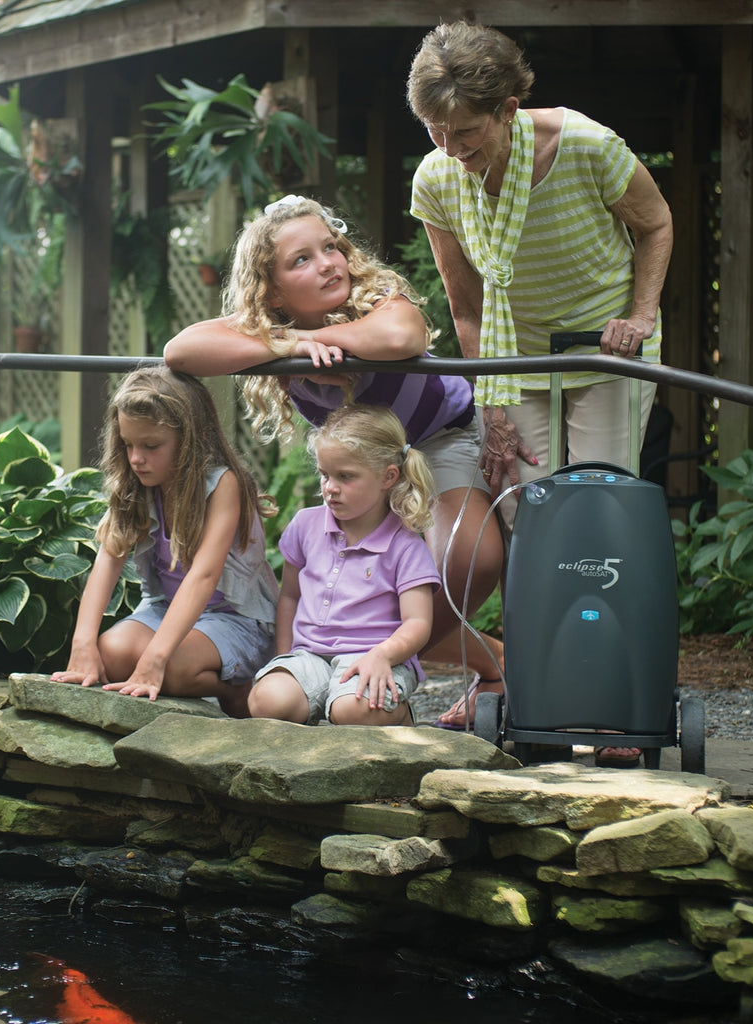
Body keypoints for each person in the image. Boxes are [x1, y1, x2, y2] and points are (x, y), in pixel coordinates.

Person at [406, 20, 673, 765]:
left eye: (466, 132)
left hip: (608, 353)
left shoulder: (587, 146)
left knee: (599, 513)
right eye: (435, 131)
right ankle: (526, 688)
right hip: (514, 362)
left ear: (510, 108)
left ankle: (615, 701)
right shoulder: (437, 178)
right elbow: (463, 303)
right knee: (531, 521)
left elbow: (655, 226)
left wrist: (640, 315)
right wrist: (489, 401)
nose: (452, 150)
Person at [164, 194, 505, 729]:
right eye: (301, 260)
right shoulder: (272, 332)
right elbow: (181, 351)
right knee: (362, 590)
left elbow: (400, 336)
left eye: (331, 248)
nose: (327, 263)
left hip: (438, 440)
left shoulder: (379, 299)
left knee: (471, 558)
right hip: (367, 471)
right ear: (271, 288)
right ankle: (472, 665)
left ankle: (413, 659)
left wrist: (308, 343)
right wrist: (289, 341)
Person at [50, 364, 278, 718]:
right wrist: (83, 644)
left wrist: (154, 659)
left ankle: (235, 688)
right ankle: (176, 666)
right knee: (109, 654)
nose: (137, 458)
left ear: (189, 441)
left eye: (151, 446)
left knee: (171, 666)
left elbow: (203, 576)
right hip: (165, 608)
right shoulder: (137, 484)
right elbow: (108, 559)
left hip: (232, 618)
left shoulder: (223, 485)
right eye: (128, 445)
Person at [249, 404, 439, 726]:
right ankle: (317, 710)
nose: (330, 487)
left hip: (376, 658)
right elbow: (290, 597)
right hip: (310, 656)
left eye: (345, 477)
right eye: (324, 475)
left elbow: (418, 623)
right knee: (268, 700)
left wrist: (384, 655)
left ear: (387, 477)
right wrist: (285, 656)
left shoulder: (405, 544)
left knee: (352, 711)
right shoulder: (305, 525)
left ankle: (401, 716)